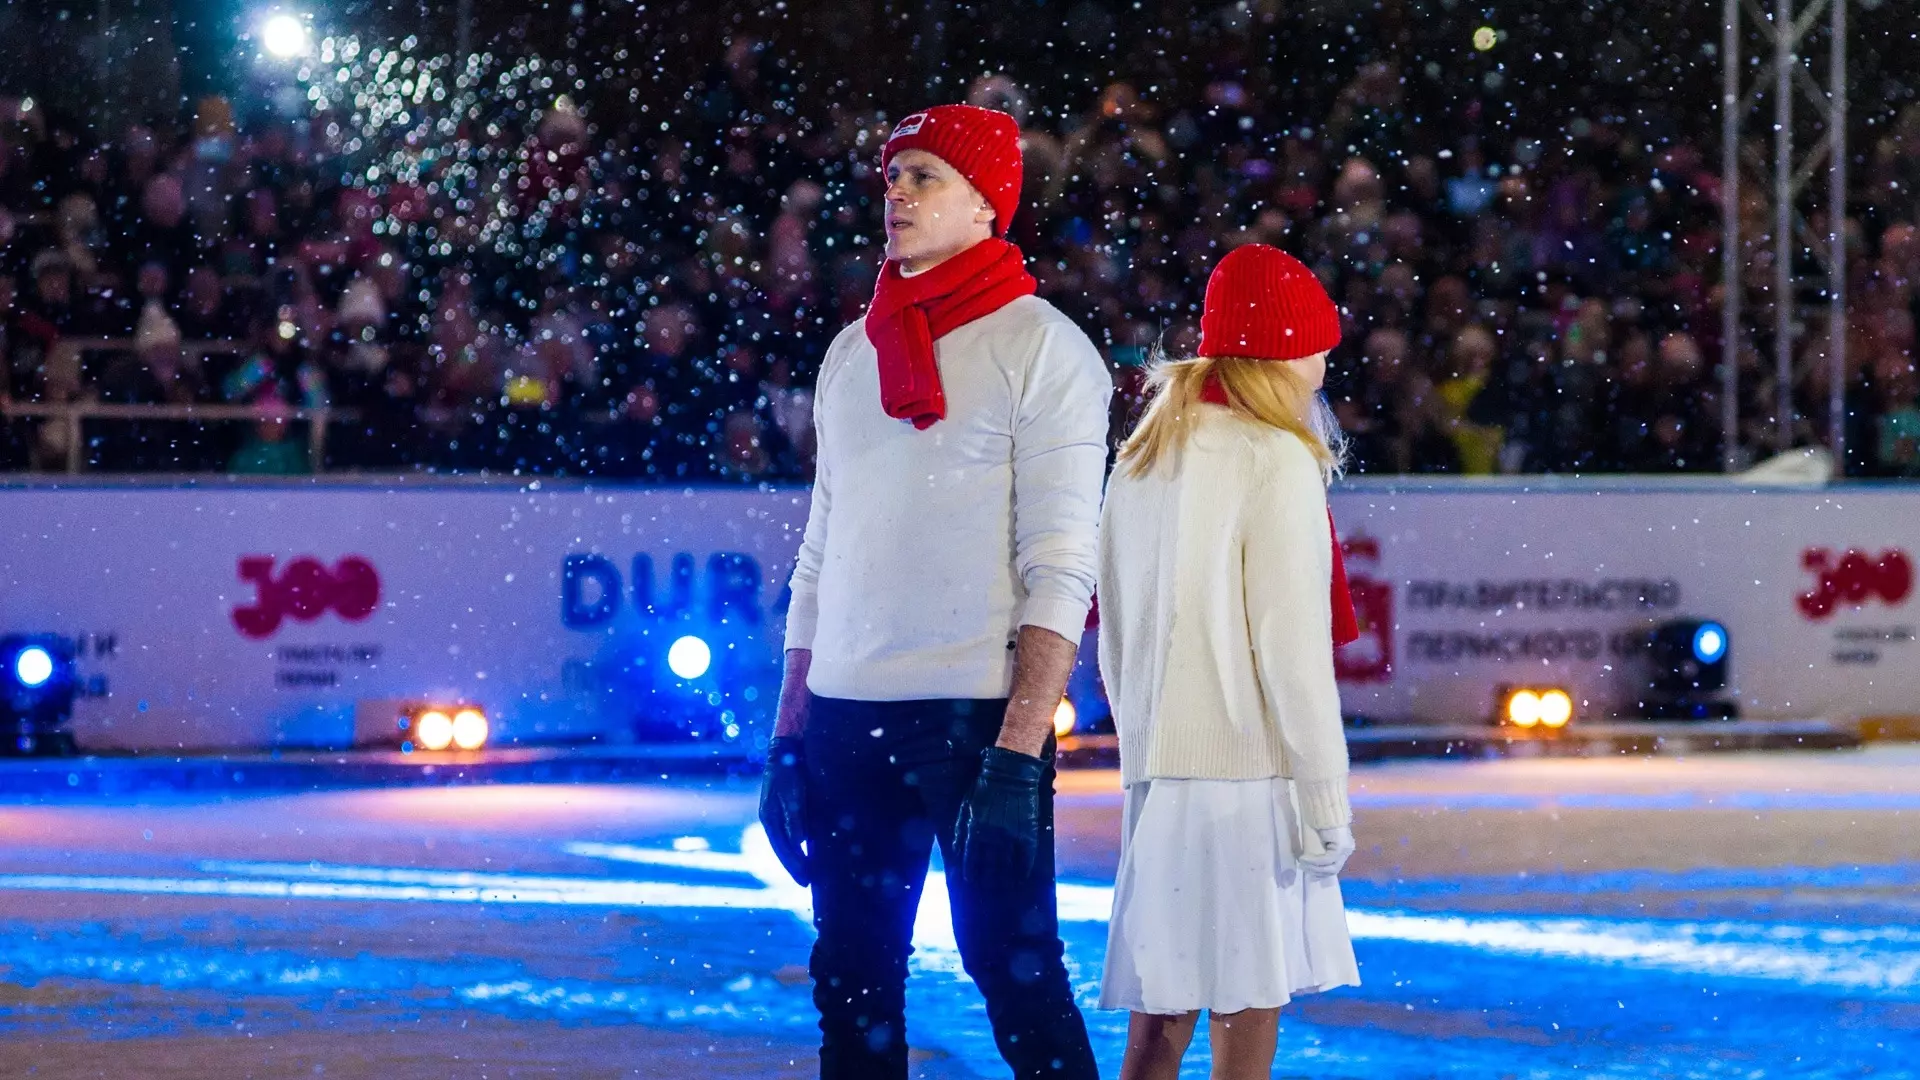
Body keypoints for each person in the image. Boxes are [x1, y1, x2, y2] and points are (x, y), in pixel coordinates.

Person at [756, 104, 1108, 1080]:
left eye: (925, 177)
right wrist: (790, 731)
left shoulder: (1044, 347)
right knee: (853, 989)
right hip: (844, 721)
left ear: (987, 203)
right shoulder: (851, 352)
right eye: (892, 175)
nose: (896, 193)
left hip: (974, 721)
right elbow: (821, 556)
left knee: (1018, 978)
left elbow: (1061, 563)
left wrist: (1017, 749)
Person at [1095, 244, 1362, 1080]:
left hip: (1163, 774)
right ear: (1276, 353)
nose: (1324, 366)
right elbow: (1291, 649)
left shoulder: (1145, 453)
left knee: (1163, 1007)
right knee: (1249, 1001)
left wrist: (1147, 743)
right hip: (1245, 775)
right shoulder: (1273, 458)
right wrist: (1323, 797)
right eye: (1315, 348)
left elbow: (1115, 627)